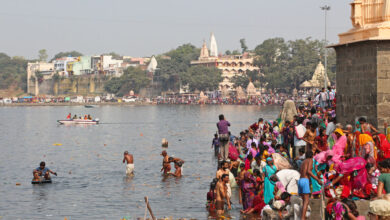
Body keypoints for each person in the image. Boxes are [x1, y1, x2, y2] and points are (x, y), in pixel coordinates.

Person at [299, 151, 322, 220]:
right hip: (305, 181)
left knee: (304, 201)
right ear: (312, 156)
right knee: (306, 201)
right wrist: (317, 179)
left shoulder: (303, 162)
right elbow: (309, 171)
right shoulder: (310, 160)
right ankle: (302, 218)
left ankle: (303, 217)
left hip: (300, 181)